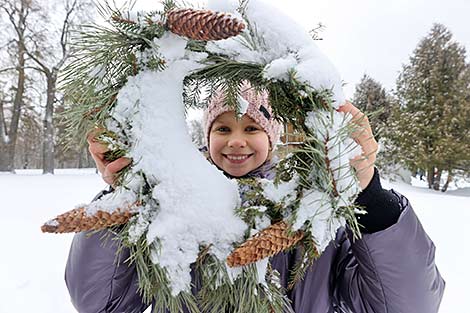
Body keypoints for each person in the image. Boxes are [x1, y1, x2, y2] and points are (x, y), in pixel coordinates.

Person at [65, 84, 445, 313]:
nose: (236, 140)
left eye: (251, 128)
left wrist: (370, 196)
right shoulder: (168, 203)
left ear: (272, 137)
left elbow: (405, 305)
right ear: (206, 134)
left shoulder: (314, 211)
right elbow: (100, 303)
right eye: (223, 127)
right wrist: (125, 197)